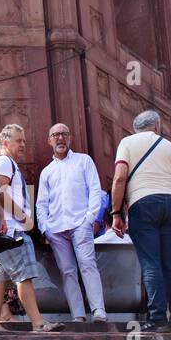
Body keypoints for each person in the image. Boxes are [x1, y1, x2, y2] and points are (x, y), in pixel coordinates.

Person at [110, 109, 171, 332]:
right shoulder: (170, 146)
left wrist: (116, 213)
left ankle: (157, 318)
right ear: (157, 126)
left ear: (136, 127)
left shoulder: (127, 143)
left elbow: (119, 178)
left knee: (151, 263)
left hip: (143, 204)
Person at [0, 124, 60, 333]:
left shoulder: (3, 163)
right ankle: (38, 323)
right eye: (19, 141)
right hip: (12, 231)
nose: (23, 145)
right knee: (24, 276)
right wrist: (23, 217)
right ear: (4, 143)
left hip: (2, 233)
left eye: (24, 141)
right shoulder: (3, 161)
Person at [36, 122, 107, 323]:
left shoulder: (83, 161)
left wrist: (89, 219)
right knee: (67, 271)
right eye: (56, 135)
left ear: (70, 138)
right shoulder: (47, 172)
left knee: (87, 265)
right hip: (56, 229)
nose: (60, 138)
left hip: (80, 224)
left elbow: (95, 190)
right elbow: (41, 203)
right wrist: (45, 228)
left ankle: (99, 311)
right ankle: (78, 315)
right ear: (49, 140)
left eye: (64, 134)